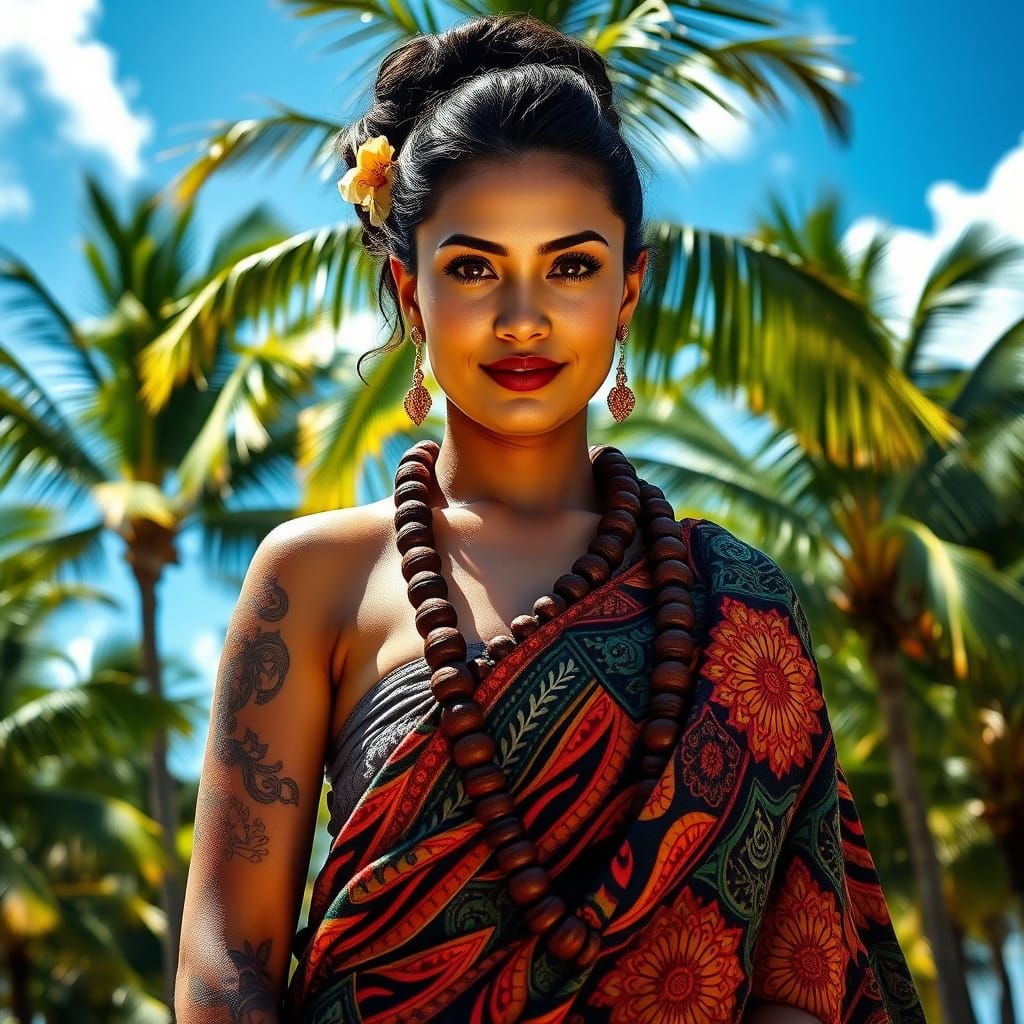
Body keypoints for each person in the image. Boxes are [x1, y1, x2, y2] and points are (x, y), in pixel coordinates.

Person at [175, 13, 927, 1023]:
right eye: (474, 266)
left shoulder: (735, 602)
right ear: (410, 290)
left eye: (570, 266)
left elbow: (799, 966)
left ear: (628, 290)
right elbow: (224, 958)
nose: (521, 314)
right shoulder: (316, 579)